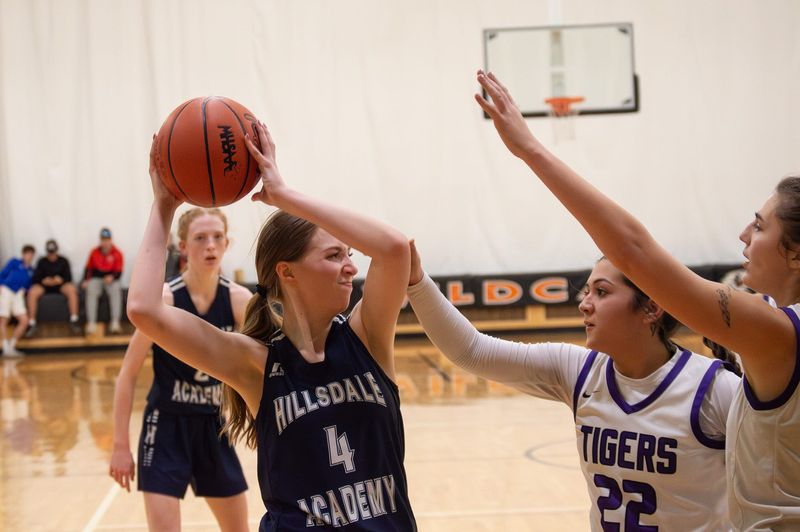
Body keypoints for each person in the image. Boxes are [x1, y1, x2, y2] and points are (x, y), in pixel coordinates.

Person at [475, 70, 800, 530]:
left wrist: (528, 147)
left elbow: (633, 250)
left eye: (761, 226)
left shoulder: (777, 333)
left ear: (796, 255)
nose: (744, 235)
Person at [125, 124, 416, 531]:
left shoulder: (367, 335)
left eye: (350, 253)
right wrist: (163, 207)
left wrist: (283, 194)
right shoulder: (255, 363)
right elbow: (143, 308)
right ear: (287, 272)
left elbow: (395, 248)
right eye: (334, 255)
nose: (352, 266)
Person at [408, 240, 739, 530]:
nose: (585, 303)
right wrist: (416, 283)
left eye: (602, 292)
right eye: (588, 290)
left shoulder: (714, 389)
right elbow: (472, 351)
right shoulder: (578, 369)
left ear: (651, 308)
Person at [109, 208, 252, 532]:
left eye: (217, 237)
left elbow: (261, 370)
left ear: (227, 243)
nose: (210, 246)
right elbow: (127, 374)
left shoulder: (239, 300)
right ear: (183, 247)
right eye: (200, 238)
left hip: (215, 426)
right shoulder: (164, 300)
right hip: (166, 427)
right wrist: (120, 446)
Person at [25, 239, 80, 336]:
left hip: (60, 287)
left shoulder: (63, 261)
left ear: (57, 251)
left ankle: (74, 320)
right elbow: (36, 278)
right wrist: (44, 280)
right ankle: (32, 323)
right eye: (50, 253)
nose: (51, 256)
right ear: (47, 252)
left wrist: (60, 280)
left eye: (53, 253)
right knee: (32, 291)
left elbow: (69, 277)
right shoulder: (42, 261)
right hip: (45, 287)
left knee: (71, 289)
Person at [81, 227, 125, 334]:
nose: (105, 242)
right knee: (91, 288)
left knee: (116, 288)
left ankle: (115, 322)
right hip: (97, 278)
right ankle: (92, 323)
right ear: (100, 240)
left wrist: (112, 277)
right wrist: (85, 280)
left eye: (107, 240)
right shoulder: (94, 252)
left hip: (111, 279)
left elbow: (119, 272)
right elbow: (88, 268)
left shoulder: (117, 253)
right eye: (103, 240)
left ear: (110, 240)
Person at [0, 245, 36, 357]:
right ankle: (5, 347)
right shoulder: (14, 262)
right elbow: (2, 275)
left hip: (19, 294)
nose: (29, 256)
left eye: (31, 254)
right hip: (7, 291)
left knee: (24, 320)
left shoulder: (31, 270)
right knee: (4, 319)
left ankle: (12, 346)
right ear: (23, 254)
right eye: (27, 254)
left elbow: (29, 286)